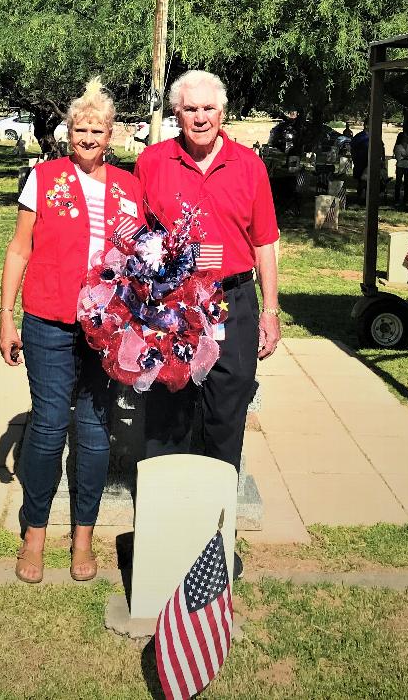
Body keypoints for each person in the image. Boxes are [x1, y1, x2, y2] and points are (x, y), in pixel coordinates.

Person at [0, 77, 144, 585]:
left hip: (106, 329)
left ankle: (83, 533)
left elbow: (146, 258)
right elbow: (19, 249)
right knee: (47, 426)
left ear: (111, 135)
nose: (87, 137)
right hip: (48, 321)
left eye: (97, 129)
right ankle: (34, 533)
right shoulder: (44, 177)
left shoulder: (130, 187)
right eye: (79, 128)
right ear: (67, 131)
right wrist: (5, 314)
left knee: (94, 432)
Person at [134, 70, 281, 502]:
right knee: (167, 413)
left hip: (232, 301)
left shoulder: (249, 166)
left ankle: (214, 526)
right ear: (176, 113)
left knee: (226, 414)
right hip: (170, 305)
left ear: (223, 112)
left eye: (209, 108)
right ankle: (164, 524)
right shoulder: (152, 162)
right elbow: (136, 240)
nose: (200, 117)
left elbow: (265, 243)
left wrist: (270, 312)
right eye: (191, 109)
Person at [392, 130, 408, 210]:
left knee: (407, 184)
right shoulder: (398, 147)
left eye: (407, 137)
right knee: (398, 183)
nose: (406, 139)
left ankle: (405, 199)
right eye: (405, 137)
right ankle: (396, 200)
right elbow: (399, 158)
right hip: (400, 166)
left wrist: (406, 157)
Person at [350, 125, 370, 205]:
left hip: (370, 162)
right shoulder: (359, 137)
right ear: (366, 125)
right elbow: (352, 148)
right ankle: (359, 198)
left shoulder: (374, 135)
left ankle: (367, 199)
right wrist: (355, 159)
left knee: (369, 182)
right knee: (361, 181)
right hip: (360, 162)